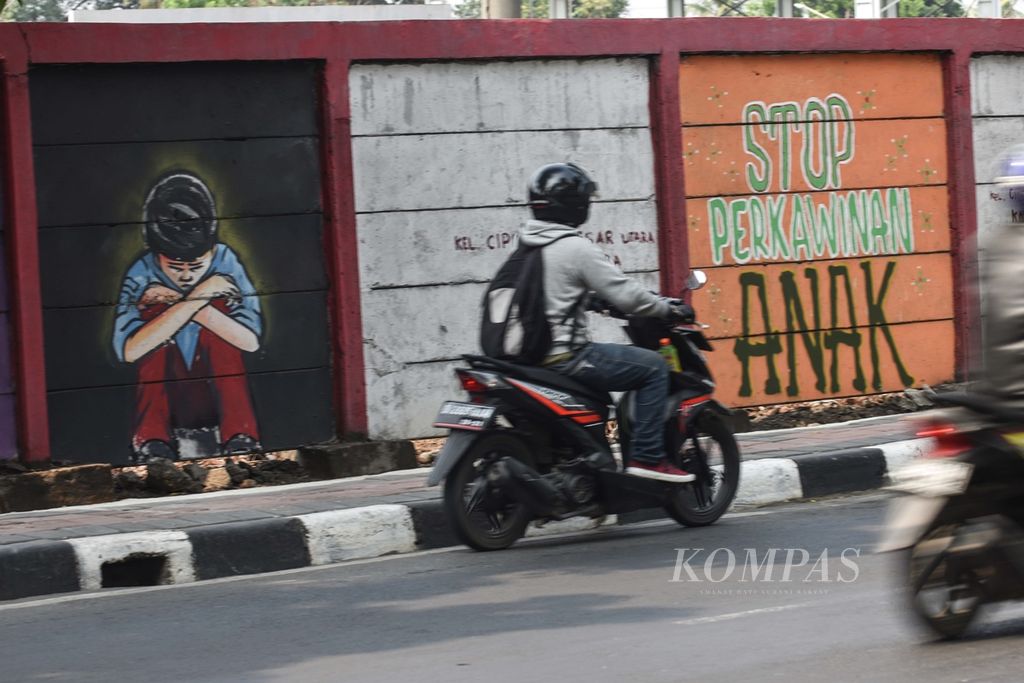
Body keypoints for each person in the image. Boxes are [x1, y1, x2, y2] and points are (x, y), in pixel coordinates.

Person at [521, 162, 695, 483]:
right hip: (566, 357)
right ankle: (647, 457)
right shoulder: (575, 247)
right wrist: (666, 309)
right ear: (576, 205)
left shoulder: (527, 245)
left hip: (527, 359)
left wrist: (589, 299)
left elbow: (551, 294)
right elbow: (627, 295)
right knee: (655, 367)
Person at [112, 172, 263, 463]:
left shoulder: (226, 262)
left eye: (196, 266)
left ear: (211, 251)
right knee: (155, 322)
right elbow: (130, 350)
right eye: (174, 266)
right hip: (169, 393)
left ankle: (240, 437)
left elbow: (250, 341)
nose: (186, 275)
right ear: (157, 255)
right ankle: (152, 441)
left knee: (219, 321)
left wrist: (189, 302)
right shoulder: (142, 272)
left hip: (214, 393)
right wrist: (191, 300)